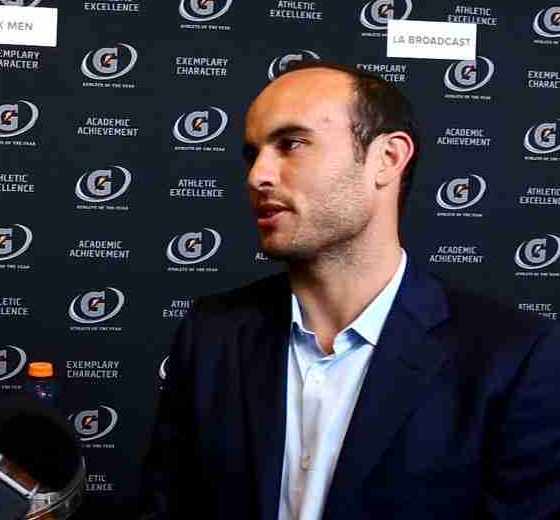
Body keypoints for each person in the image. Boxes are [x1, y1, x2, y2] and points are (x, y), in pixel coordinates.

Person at [140, 62, 560, 519]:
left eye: (291, 144)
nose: (258, 175)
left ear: (387, 159)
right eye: (252, 153)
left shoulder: (514, 358)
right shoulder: (212, 334)